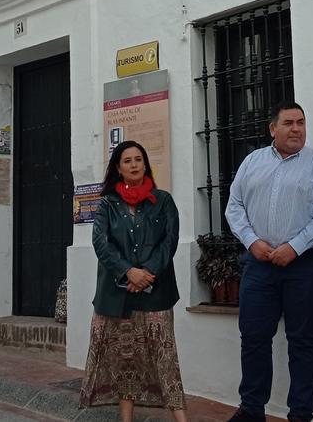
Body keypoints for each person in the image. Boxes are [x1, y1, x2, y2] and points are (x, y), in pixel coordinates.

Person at [225, 101, 313, 422]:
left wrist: (295, 246)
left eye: (301, 122)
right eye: (289, 123)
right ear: (272, 129)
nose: (297, 129)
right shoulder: (252, 162)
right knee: (254, 336)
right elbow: (234, 206)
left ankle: (301, 414)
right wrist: (252, 241)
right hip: (260, 262)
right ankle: (251, 409)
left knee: (302, 340)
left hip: (306, 264)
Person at [80, 141, 187, 422]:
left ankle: (181, 418)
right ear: (118, 167)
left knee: (165, 358)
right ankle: (125, 419)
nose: (134, 165)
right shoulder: (107, 204)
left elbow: (170, 241)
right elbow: (101, 243)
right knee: (125, 361)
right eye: (127, 160)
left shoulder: (163, 200)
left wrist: (147, 272)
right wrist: (129, 271)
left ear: (145, 164)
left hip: (156, 293)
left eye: (139, 159)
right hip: (118, 295)